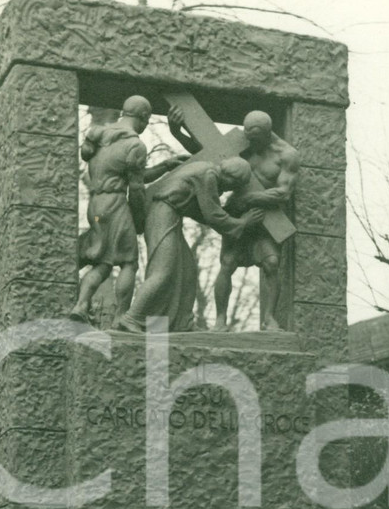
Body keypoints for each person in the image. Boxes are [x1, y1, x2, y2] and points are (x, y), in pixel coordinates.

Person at [168, 107, 300, 330]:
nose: (251, 144)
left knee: (272, 263)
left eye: (257, 140)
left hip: (266, 217)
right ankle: (220, 319)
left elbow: (284, 193)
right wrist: (177, 132)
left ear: (269, 134)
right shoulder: (241, 142)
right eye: (249, 137)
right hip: (238, 213)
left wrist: (251, 199)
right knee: (227, 264)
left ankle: (269, 318)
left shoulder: (287, 155)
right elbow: (205, 153)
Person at [113, 156, 263, 333]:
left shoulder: (206, 169)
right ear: (231, 178)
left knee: (188, 270)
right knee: (163, 271)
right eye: (232, 186)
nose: (228, 190)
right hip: (161, 214)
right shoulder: (209, 175)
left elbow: (199, 210)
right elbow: (213, 215)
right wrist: (243, 223)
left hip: (170, 216)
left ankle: (183, 321)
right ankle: (131, 317)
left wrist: (229, 219)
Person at [69, 95, 181, 325]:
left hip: (97, 206)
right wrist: (139, 218)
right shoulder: (134, 145)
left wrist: (165, 166)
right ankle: (122, 317)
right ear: (142, 117)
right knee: (129, 262)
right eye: (146, 121)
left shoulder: (100, 136)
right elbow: (137, 188)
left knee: (103, 262)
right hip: (116, 205)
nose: (145, 125)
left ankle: (81, 304)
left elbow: (134, 175)